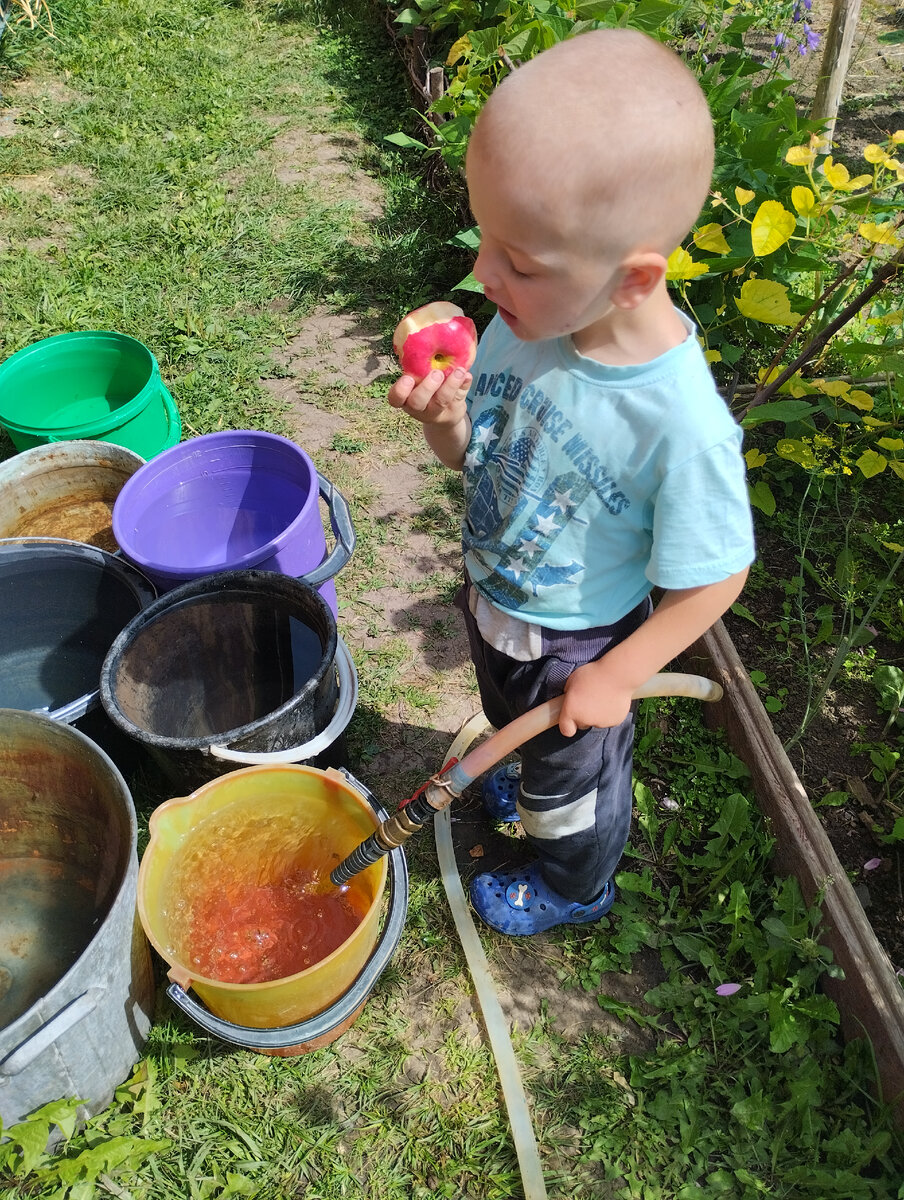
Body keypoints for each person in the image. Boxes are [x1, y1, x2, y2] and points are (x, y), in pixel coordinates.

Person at [387, 28, 755, 935]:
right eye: (487, 239)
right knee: (512, 722)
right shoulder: (530, 317)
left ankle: (573, 886)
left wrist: (621, 673)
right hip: (497, 602)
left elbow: (719, 574)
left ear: (631, 280)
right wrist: (448, 425)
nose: (481, 274)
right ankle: (527, 772)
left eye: (518, 260)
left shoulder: (680, 425)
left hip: (579, 644)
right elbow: (485, 452)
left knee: (577, 794)